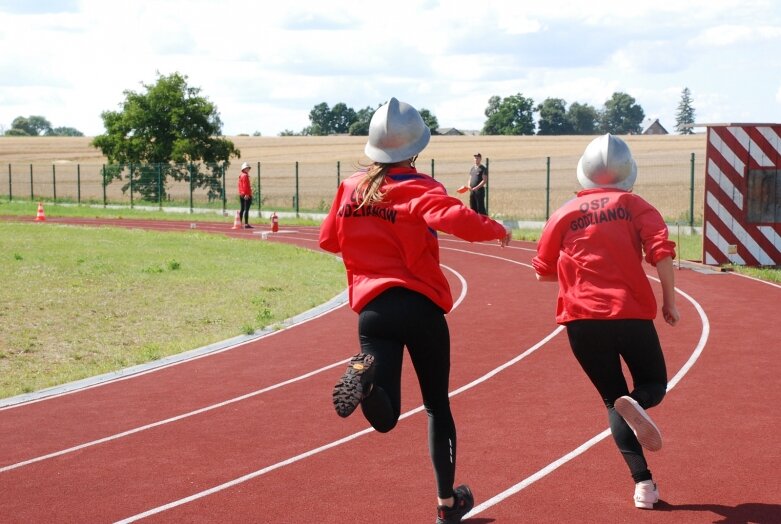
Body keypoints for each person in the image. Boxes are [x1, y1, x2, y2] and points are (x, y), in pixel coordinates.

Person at [319, 97, 511, 524]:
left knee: (386, 417)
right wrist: (498, 229)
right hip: (420, 307)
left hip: (373, 311)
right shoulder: (420, 187)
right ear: (416, 148)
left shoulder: (350, 186)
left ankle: (365, 381)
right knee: (437, 407)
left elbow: (329, 240)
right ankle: (447, 505)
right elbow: (457, 219)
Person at [531, 134, 679, 510]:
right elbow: (661, 253)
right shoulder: (636, 205)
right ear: (628, 172)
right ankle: (639, 400)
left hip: (581, 320)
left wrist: (578, 274)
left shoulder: (564, 212)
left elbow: (541, 272)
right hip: (630, 313)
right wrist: (669, 302)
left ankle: (643, 485)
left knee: (612, 401)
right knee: (654, 384)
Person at [238, 161, 253, 229]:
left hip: (241, 194)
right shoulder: (245, 176)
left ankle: (239, 223)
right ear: (243, 169)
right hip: (246, 194)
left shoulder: (241, 175)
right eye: (246, 168)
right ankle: (246, 224)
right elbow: (245, 185)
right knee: (246, 209)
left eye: (248, 168)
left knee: (242, 209)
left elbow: (240, 186)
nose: (248, 169)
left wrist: (242, 193)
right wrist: (246, 194)